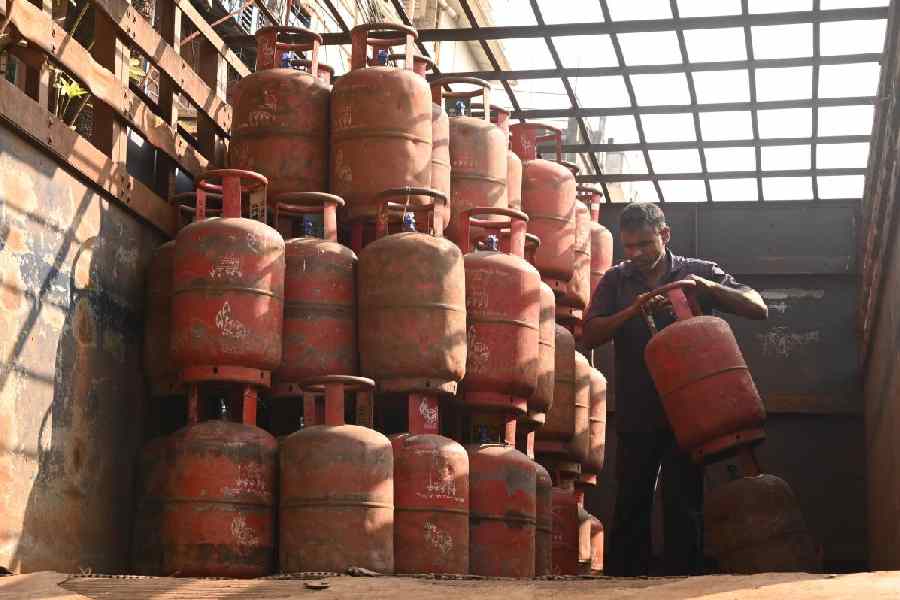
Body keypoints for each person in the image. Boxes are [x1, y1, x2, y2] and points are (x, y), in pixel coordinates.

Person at [581, 202, 768, 577]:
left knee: (683, 499)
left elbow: (757, 306)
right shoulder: (617, 281)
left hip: (691, 411)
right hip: (639, 408)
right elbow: (590, 332)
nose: (634, 254)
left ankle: (682, 581)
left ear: (665, 236)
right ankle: (623, 582)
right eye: (628, 246)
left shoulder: (696, 271)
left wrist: (708, 288)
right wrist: (632, 310)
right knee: (632, 498)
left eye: (644, 245)